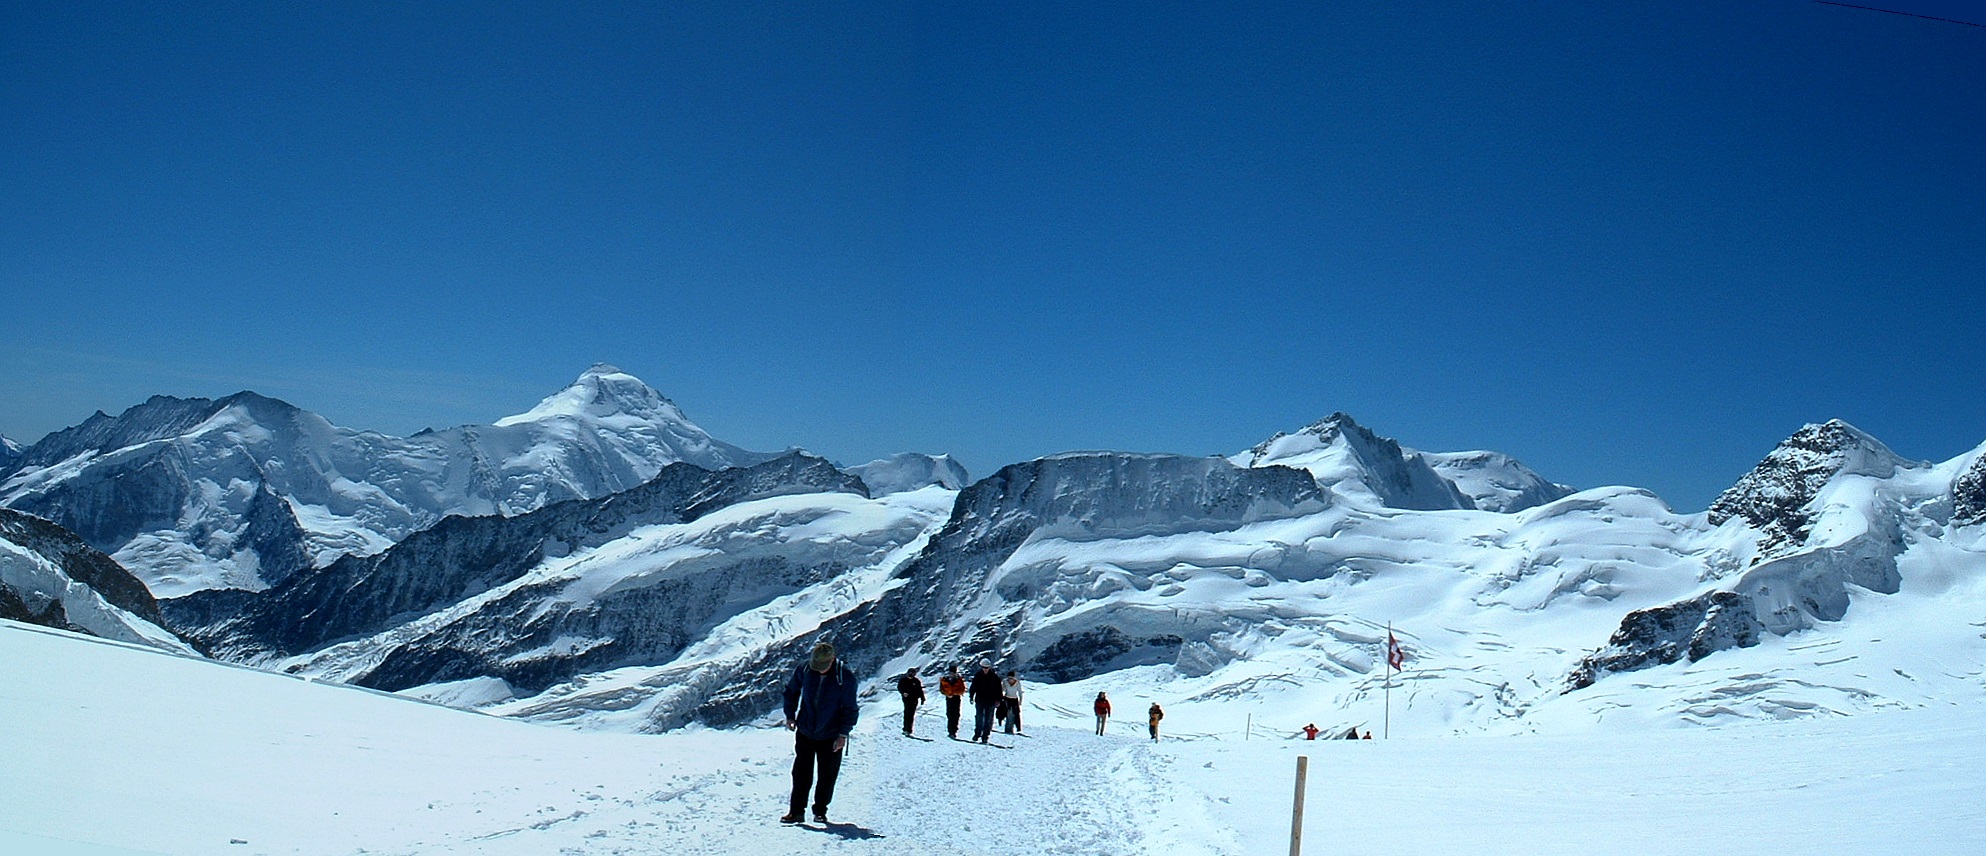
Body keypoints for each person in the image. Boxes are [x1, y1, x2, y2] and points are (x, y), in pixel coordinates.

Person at [781, 642, 859, 824]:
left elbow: (850, 708)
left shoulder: (844, 677)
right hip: (806, 730)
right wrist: (790, 715)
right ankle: (796, 812)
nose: (820, 670)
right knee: (800, 773)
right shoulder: (806, 669)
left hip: (831, 735)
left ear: (833, 659)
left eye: (823, 667)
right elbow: (791, 691)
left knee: (827, 774)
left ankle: (820, 810)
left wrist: (843, 734)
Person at [968, 661, 1003, 743]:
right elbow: (973, 687)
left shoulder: (995, 677)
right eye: (983, 667)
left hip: (991, 701)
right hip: (980, 700)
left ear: (989, 667)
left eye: (986, 668)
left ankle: (985, 736)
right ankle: (977, 734)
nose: (985, 669)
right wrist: (971, 696)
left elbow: (999, 690)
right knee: (979, 717)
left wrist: (998, 700)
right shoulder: (978, 676)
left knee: (988, 719)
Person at [938, 666, 967, 740]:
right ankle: (951, 731)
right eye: (951, 672)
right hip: (949, 698)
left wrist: (954, 693)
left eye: (953, 672)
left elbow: (962, 689)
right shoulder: (945, 679)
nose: (952, 674)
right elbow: (941, 689)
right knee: (950, 714)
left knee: (956, 714)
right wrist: (947, 694)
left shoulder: (958, 679)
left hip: (956, 698)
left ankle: (954, 731)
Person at [896, 667, 925, 736]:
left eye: (913, 673)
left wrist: (922, 698)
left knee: (911, 714)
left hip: (914, 699)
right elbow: (899, 687)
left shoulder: (917, 681)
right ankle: (906, 729)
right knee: (907, 713)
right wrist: (903, 693)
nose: (911, 674)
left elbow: (920, 690)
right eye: (910, 673)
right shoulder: (903, 680)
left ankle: (908, 730)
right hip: (907, 699)